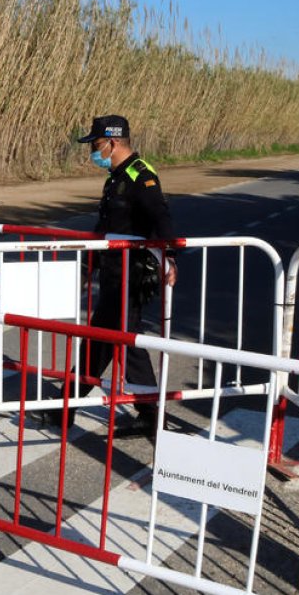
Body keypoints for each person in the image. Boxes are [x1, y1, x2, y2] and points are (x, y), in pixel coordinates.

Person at [45, 115, 177, 438]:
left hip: (132, 277)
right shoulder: (114, 178)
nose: (93, 150)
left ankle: (144, 412)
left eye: (96, 144)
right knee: (106, 340)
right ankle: (70, 406)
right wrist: (88, 267)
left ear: (113, 142)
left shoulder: (140, 175)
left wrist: (170, 257)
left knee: (122, 342)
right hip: (114, 274)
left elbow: (161, 217)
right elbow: (103, 230)